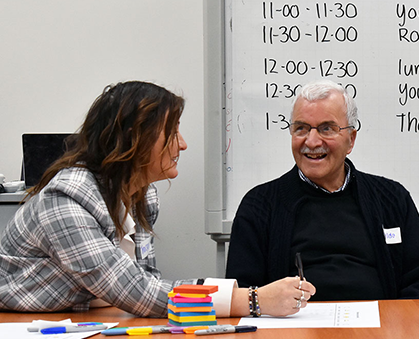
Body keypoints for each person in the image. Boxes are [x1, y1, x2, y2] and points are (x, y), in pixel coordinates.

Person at [0, 81, 308, 318]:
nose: (183, 144)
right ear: (135, 138)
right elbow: (137, 292)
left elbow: (146, 280)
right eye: (172, 132)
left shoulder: (143, 197)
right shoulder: (65, 199)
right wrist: (252, 300)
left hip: (83, 322)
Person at [226, 79, 419, 305]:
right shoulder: (259, 206)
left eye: (327, 128)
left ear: (351, 140)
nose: (312, 141)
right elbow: (242, 294)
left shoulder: (393, 199)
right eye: (301, 128)